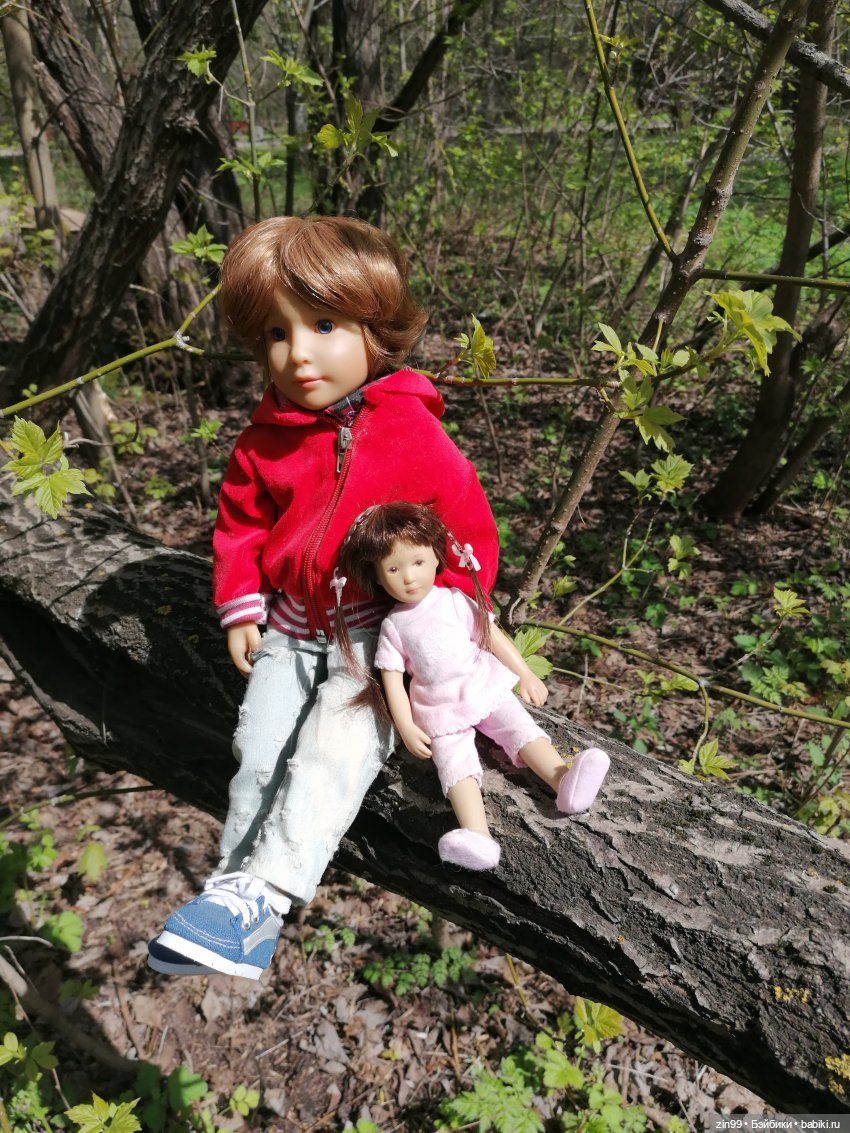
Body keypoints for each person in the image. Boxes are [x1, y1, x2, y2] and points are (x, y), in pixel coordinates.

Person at [147, 216, 499, 979]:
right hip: (291, 624)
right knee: (258, 749)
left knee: (331, 751)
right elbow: (241, 524)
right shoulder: (266, 436)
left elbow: (464, 530)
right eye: (276, 334)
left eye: (324, 325)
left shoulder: (412, 431)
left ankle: (266, 891)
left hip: (375, 635)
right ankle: (233, 900)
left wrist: (454, 615)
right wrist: (241, 601)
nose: (298, 353)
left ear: (377, 328)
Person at [334, 502, 610, 872]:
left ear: (436, 557)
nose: (409, 577)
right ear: (378, 578)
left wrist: (525, 674)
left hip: (482, 684)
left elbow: (491, 635)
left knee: (521, 729)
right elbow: (392, 680)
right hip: (439, 708)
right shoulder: (393, 626)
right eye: (393, 569)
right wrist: (406, 725)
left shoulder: (453, 600)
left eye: (418, 562)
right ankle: (477, 834)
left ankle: (563, 780)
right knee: (455, 766)